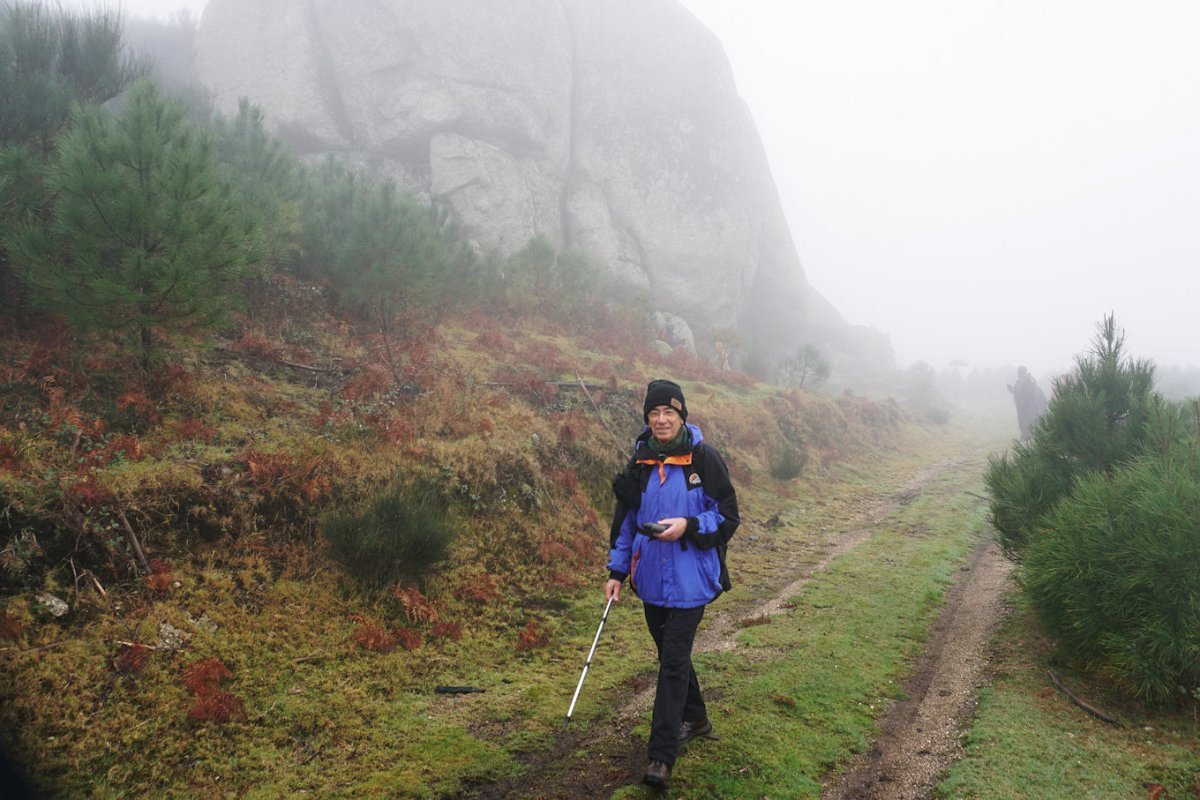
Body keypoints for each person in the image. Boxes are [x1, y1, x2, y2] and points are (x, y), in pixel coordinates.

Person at [605, 379, 740, 790]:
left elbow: (728, 515)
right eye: (654, 413)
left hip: (691, 580)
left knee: (673, 662)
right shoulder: (641, 460)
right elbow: (626, 523)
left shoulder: (703, 458)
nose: (661, 419)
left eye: (669, 412)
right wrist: (617, 572)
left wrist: (689, 525)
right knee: (670, 654)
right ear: (647, 418)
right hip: (650, 579)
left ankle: (661, 757)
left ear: (682, 416)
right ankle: (696, 718)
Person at [1007, 365, 1048, 441]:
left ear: (1021, 372)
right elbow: (1018, 391)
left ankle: (1027, 436)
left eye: (1019, 372)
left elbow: (1022, 391)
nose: (1018, 374)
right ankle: (1027, 435)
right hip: (1027, 406)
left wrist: (1012, 390)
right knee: (1026, 421)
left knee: (1026, 421)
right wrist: (1012, 389)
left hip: (1027, 406)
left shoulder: (1025, 380)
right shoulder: (1025, 380)